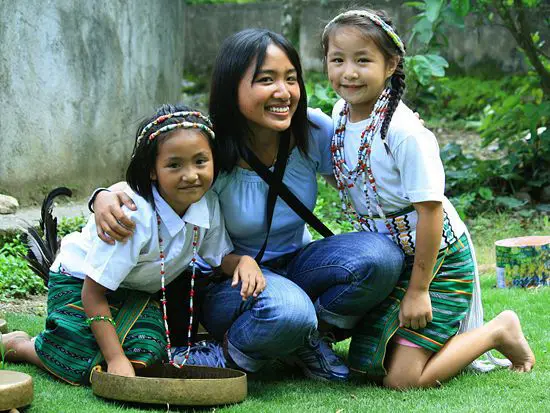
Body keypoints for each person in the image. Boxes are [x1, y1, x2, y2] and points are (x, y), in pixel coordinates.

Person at [90, 29, 405, 382]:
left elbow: (365, 168)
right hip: (230, 281)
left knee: (381, 256)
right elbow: (158, 177)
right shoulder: (211, 149)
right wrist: (104, 195)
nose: (283, 92)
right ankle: (228, 356)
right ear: (231, 88)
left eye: (291, 78)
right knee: (289, 311)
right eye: (266, 80)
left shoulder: (312, 131)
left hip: (298, 264)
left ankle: (309, 341)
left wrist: (403, 133)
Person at [321, 9, 535, 389]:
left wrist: (419, 292)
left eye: (363, 60)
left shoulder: (405, 133)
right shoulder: (340, 114)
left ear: (391, 64)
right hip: (391, 259)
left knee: (402, 380)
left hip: (438, 260)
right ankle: (433, 340)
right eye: (337, 60)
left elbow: (430, 213)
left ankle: (498, 331)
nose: (348, 72)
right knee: (364, 364)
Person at [2, 104, 264, 385]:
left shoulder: (207, 204)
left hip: (130, 294)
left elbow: (218, 256)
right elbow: (93, 293)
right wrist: (115, 359)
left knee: (148, 352)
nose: (190, 175)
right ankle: (21, 346)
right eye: (174, 165)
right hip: (79, 285)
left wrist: (244, 262)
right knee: (80, 361)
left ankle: (91, 347)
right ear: (152, 170)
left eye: (200, 161)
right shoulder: (131, 218)